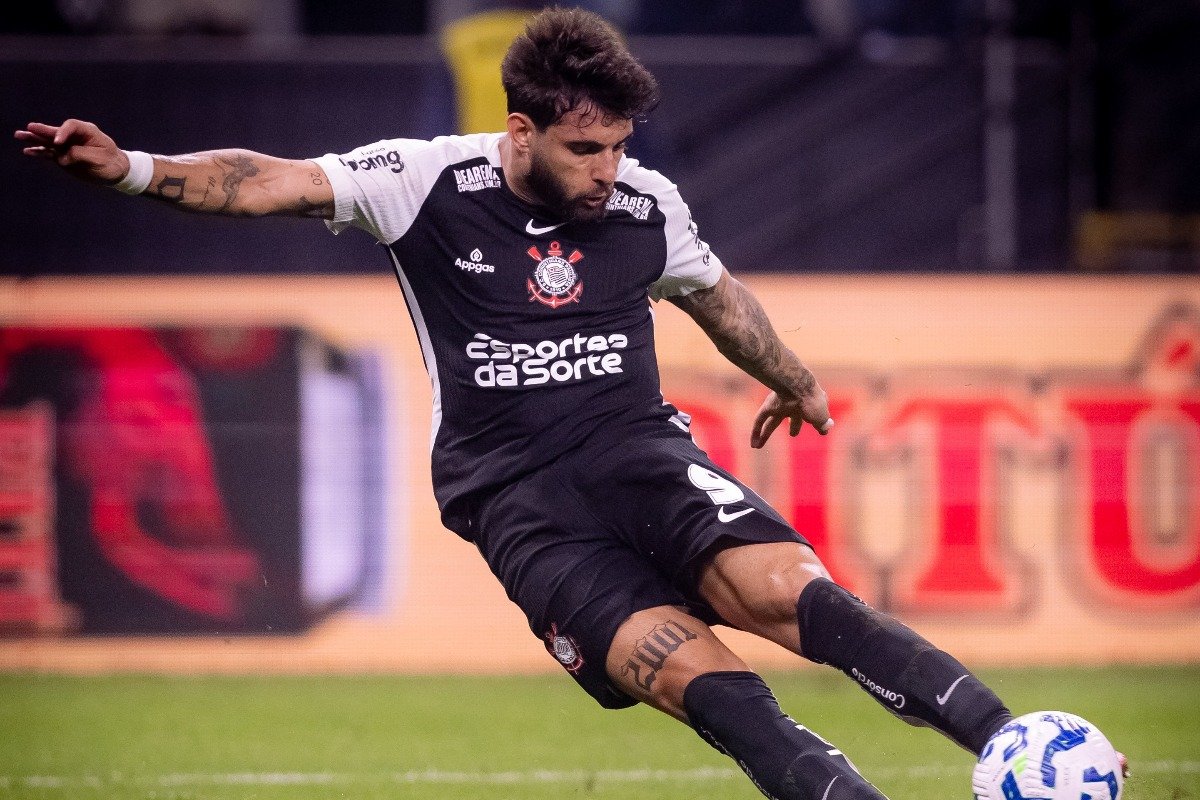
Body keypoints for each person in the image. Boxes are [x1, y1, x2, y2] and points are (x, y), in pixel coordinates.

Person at [16, 9, 1021, 798]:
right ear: (521, 131)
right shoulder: (420, 182)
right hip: (519, 503)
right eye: (587, 149)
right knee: (696, 680)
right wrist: (132, 170)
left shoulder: (644, 204)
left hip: (642, 457)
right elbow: (265, 182)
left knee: (792, 593)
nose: (609, 170)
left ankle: (1014, 740)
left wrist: (790, 374)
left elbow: (714, 292)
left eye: (622, 145)